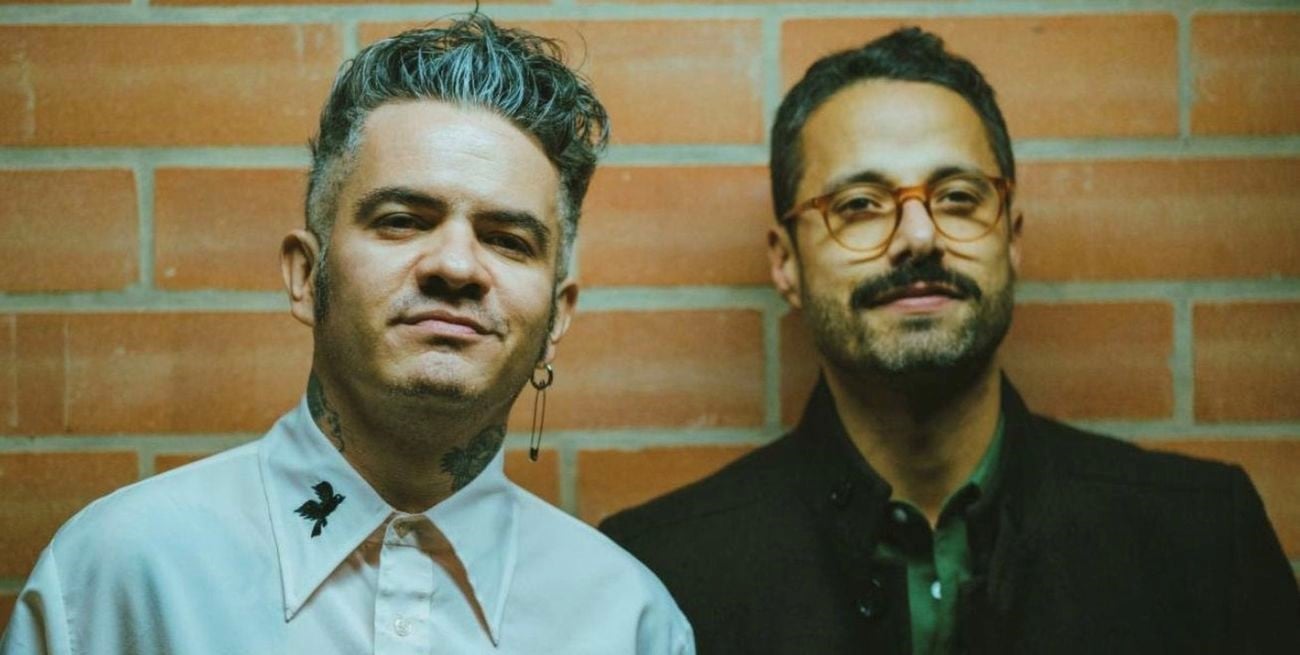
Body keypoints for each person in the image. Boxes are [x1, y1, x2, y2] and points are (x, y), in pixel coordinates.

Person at [2, 14, 693, 655]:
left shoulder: (628, 622)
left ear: (557, 318)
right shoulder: (120, 576)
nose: (456, 266)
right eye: (402, 220)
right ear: (307, 275)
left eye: (508, 239)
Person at [600, 27, 1299, 654]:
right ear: (786, 263)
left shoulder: (1206, 537)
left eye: (959, 197)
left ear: (1011, 238)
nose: (920, 236)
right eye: (859, 205)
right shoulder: (661, 575)